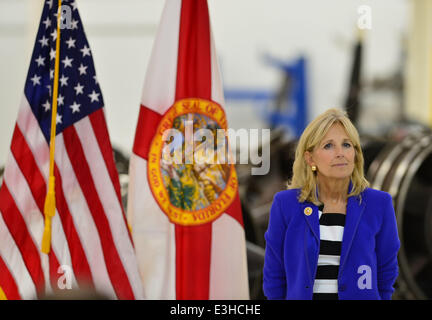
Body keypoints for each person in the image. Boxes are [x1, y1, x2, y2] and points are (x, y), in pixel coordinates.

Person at [263, 108, 400, 300]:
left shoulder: (380, 204)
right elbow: (274, 276)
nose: (340, 153)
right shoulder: (285, 205)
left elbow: (386, 272)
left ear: (355, 153)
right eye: (328, 146)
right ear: (310, 158)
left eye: (346, 145)